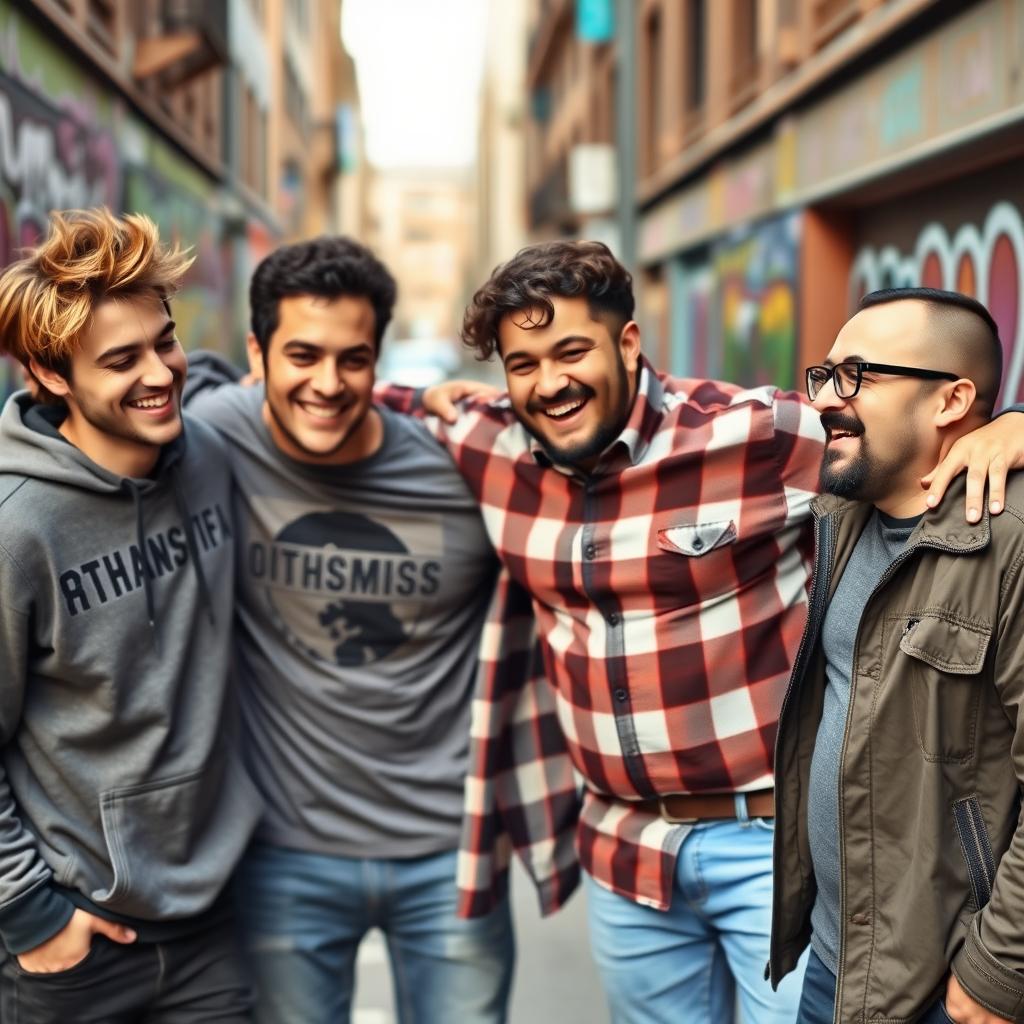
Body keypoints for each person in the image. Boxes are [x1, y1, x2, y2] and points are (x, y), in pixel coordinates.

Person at [379, 241, 1024, 1024]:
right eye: (522, 364)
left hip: (768, 850)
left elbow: (910, 428)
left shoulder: (754, 434)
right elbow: (343, 398)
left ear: (627, 342)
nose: (549, 383)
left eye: (572, 350)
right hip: (624, 853)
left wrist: (1014, 423)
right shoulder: (488, 442)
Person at [183, 236, 520, 1024]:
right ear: (256, 354)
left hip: (452, 854)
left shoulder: (458, 468)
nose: (328, 384)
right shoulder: (214, 435)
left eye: (354, 359)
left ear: (380, 361)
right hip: (283, 853)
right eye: (303, 354)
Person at [0, 208, 262, 1023]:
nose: (160, 372)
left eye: (164, 341)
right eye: (121, 360)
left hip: (212, 925)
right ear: (49, 377)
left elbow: (290, 392)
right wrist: (29, 916)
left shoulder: (210, 453)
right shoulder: (18, 527)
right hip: (74, 945)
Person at [771, 288, 1024, 1024]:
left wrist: (997, 974)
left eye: (859, 376)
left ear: (952, 401)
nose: (827, 398)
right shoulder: (843, 513)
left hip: (952, 981)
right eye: (824, 376)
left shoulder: (1008, 542)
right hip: (839, 964)